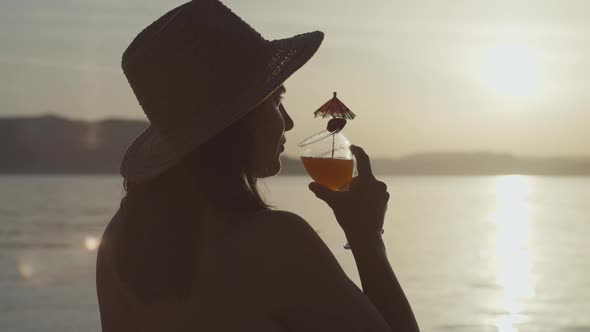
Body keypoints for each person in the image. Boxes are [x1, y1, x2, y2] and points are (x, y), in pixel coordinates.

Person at [96, 0, 420, 331]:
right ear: (237, 119)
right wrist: (366, 238)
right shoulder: (274, 241)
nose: (289, 123)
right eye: (276, 101)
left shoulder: (122, 241)